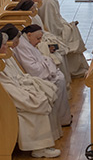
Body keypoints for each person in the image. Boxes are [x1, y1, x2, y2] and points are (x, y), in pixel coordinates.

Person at [0, 25, 62, 158]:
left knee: (43, 93)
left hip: (15, 89)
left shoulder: (5, 57)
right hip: (9, 98)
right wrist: (26, 94)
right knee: (37, 104)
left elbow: (15, 77)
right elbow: (6, 87)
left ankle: (45, 142)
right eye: (4, 45)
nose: (7, 47)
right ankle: (39, 148)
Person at [13, 24, 72, 127]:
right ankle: (60, 120)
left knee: (60, 77)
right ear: (29, 35)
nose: (39, 41)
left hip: (42, 72)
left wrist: (46, 60)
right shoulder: (22, 45)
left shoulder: (27, 42)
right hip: (35, 76)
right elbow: (33, 69)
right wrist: (47, 61)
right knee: (59, 80)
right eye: (38, 38)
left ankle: (62, 118)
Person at [13, 0, 72, 91]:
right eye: (32, 9)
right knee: (58, 71)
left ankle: (68, 85)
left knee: (61, 51)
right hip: (38, 66)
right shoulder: (21, 41)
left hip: (40, 48)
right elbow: (32, 66)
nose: (34, 11)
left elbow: (40, 34)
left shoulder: (33, 17)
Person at [37, 0, 89, 78]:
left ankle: (79, 68)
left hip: (56, 26)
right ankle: (75, 70)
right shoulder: (49, 2)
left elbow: (57, 18)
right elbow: (52, 24)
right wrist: (67, 27)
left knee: (73, 30)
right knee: (73, 34)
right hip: (51, 31)